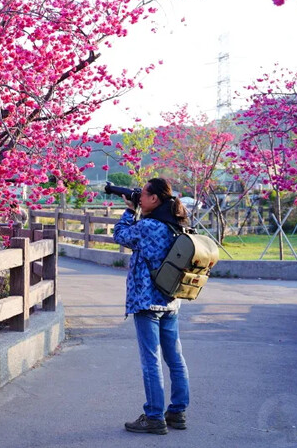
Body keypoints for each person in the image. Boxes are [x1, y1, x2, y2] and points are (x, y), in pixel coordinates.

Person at [113, 178, 190, 435]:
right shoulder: (175, 224)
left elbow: (120, 235)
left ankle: (155, 416)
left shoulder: (148, 226)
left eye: (143, 195)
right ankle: (177, 412)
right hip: (170, 301)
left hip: (147, 303)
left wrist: (128, 210)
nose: (140, 199)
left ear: (154, 199)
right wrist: (138, 210)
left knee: (151, 360)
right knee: (175, 358)